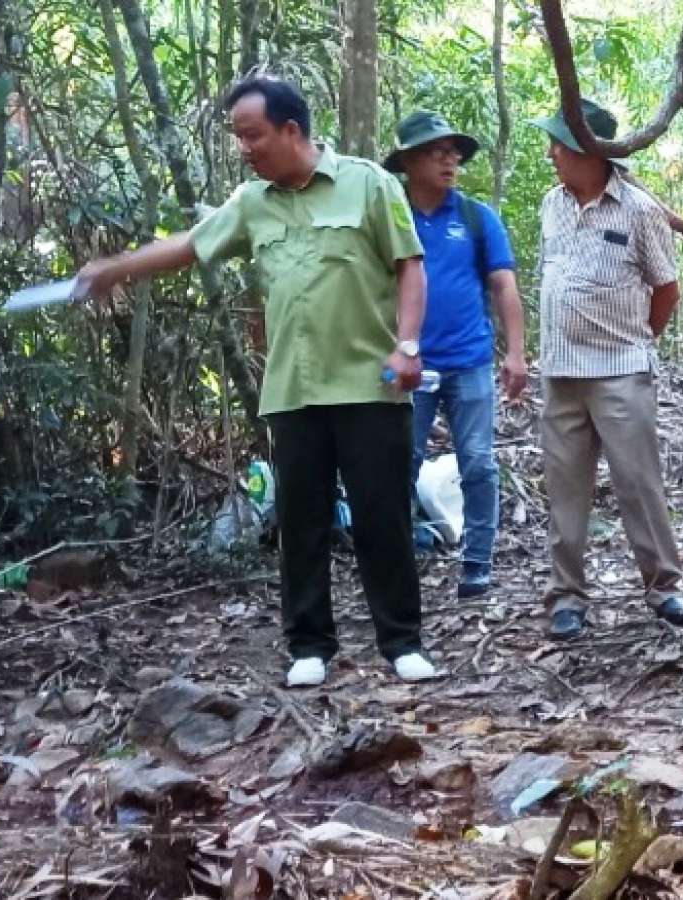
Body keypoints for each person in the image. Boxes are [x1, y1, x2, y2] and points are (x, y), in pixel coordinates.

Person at [75, 76, 438, 686]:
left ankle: (401, 642)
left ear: (291, 130)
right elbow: (192, 247)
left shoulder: (368, 184)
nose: (244, 147)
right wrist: (117, 269)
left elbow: (409, 267)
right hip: (293, 390)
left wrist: (408, 346)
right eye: (239, 137)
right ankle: (309, 647)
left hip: (369, 384)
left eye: (253, 135)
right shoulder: (252, 201)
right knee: (301, 521)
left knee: (383, 519)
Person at [531, 97, 683, 641]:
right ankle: (567, 597)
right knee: (565, 489)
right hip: (561, 372)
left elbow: (666, 288)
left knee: (638, 484)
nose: (553, 153)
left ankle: (665, 587)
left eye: (560, 143)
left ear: (591, 151)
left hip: (621, 369)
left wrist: (639, 342)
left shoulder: (639, 210)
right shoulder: (551, 204)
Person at [383, 110, 528, 599]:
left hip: (469, 361)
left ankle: (477, 564)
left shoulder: (475, 218)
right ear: (408, 161)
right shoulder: (387, 216)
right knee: (397, 465)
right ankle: (398, 563)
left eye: (454, 154)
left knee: (479, 463)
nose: (450, 162)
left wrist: (516, 354)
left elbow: (504, 285)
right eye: (437, 152)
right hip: (409, 364)